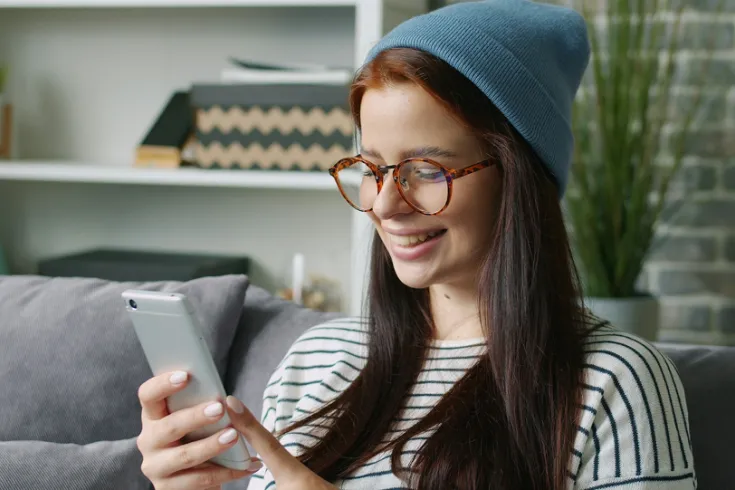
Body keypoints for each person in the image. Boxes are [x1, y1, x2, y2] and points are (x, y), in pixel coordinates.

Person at [135, 1, 696, 489]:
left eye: (426, 169)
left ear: (519, 176)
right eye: (372, 168)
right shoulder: (315, 360)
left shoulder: (614, 380)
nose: (384, 204)